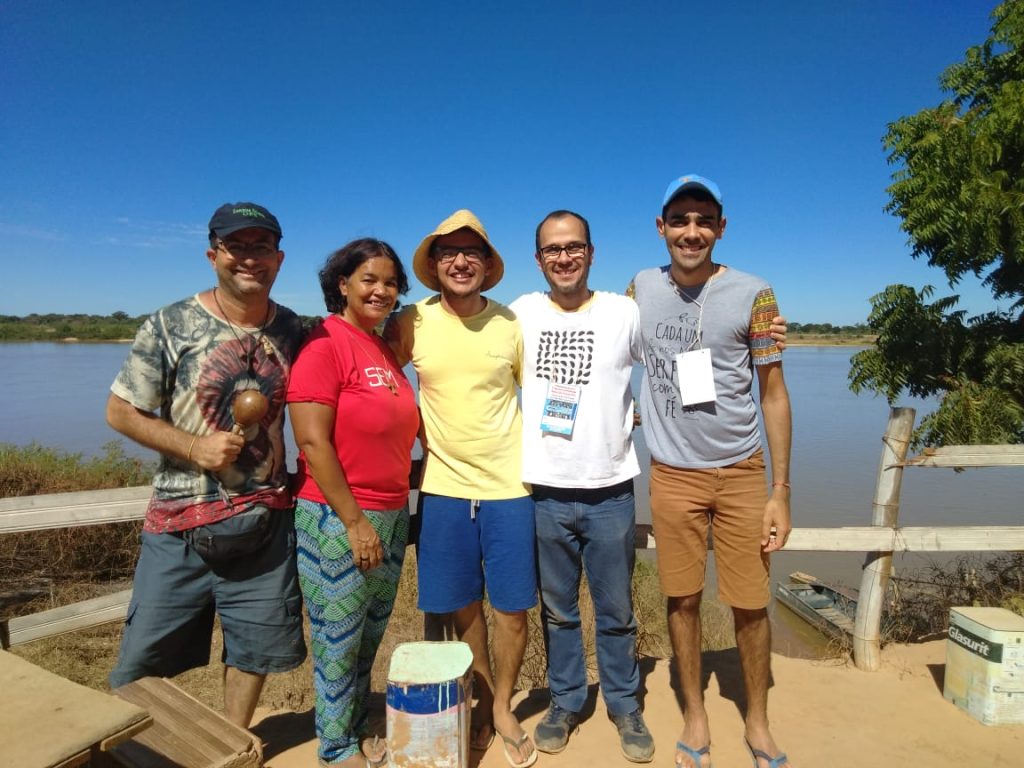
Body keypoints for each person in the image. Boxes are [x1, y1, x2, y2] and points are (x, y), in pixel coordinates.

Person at [106, 202, 307, 730]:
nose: (249, 258)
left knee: (255, 649)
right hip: (181, 523)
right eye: (236, 246)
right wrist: (195, 448)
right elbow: (120, 411)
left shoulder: (293, 329)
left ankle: (234, 742)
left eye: (261, 247)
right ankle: (136, 752)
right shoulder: (171, 324)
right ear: (213, 255)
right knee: (143, 659)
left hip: (266, 522)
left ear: (279, 258)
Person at [628, 175, 793, 768]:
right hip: (673, 475)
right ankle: (695, 713)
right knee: (682, 599)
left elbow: (773, 394)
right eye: (680, 219)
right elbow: (608, 348)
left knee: (751, 602)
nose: (691, 231)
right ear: (661, 227)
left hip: (742, 470)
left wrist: (780, 490)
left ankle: (757, 720)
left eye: (704, 220)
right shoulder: (640, 287)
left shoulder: (756, 294)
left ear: (721, 228)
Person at [383, 209, 538, 768]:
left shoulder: (511, 323)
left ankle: (502, 707)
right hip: (444, 488)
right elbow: (375, 375)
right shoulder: (411, 321)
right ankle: (482, 700)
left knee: (513, 609)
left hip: (510, 487)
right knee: (464, 608)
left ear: (488, 263)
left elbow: (543, 395)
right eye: (449, 252)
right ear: (435, 263)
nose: (461, 261)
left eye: (472, 251)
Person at [510, 210, 655, 763]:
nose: (564, 257)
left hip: (610, 488)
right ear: (538, 259)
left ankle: (624, 703)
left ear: (592, 253)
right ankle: (566, 700)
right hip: (543, 490)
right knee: (558, 611)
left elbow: (672, 357)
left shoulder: (623, 312)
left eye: (574, 247)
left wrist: (753, 339)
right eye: (553, 249)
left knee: (616, 610)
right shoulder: (520, 313)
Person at [287, 239, 419, 768]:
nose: (381, 291)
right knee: (337, 637)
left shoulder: (382, 349)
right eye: (369, 279)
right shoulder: (325, 344)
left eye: (390, 282)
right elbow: (312, 441)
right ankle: (336, 747)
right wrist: (353, 521)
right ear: (342, 285)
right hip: (338, 516)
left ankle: (355, 724)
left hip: (391, 512)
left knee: (368, 633)